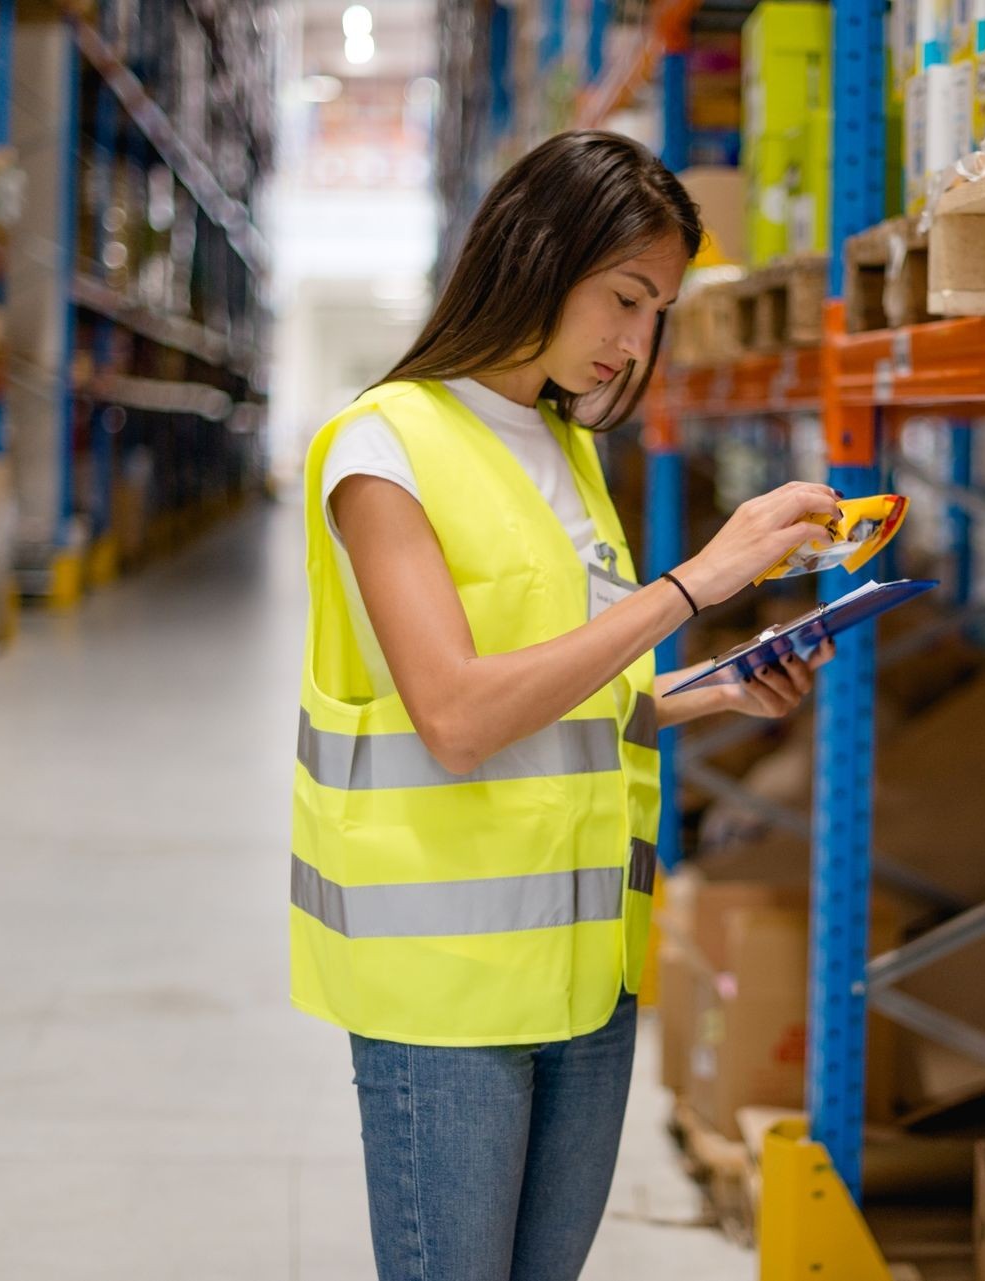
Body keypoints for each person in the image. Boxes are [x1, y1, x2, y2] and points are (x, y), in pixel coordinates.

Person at [290, 129, 844, 1280]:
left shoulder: (563, 451)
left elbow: (577, 689)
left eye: (660, 314)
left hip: (588, 968)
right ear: (539, 256)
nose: (637, 344)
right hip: (445, 997)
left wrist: (713, 689)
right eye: (626, 299)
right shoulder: (381, 449)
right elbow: (455, 715)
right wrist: (698, 584)